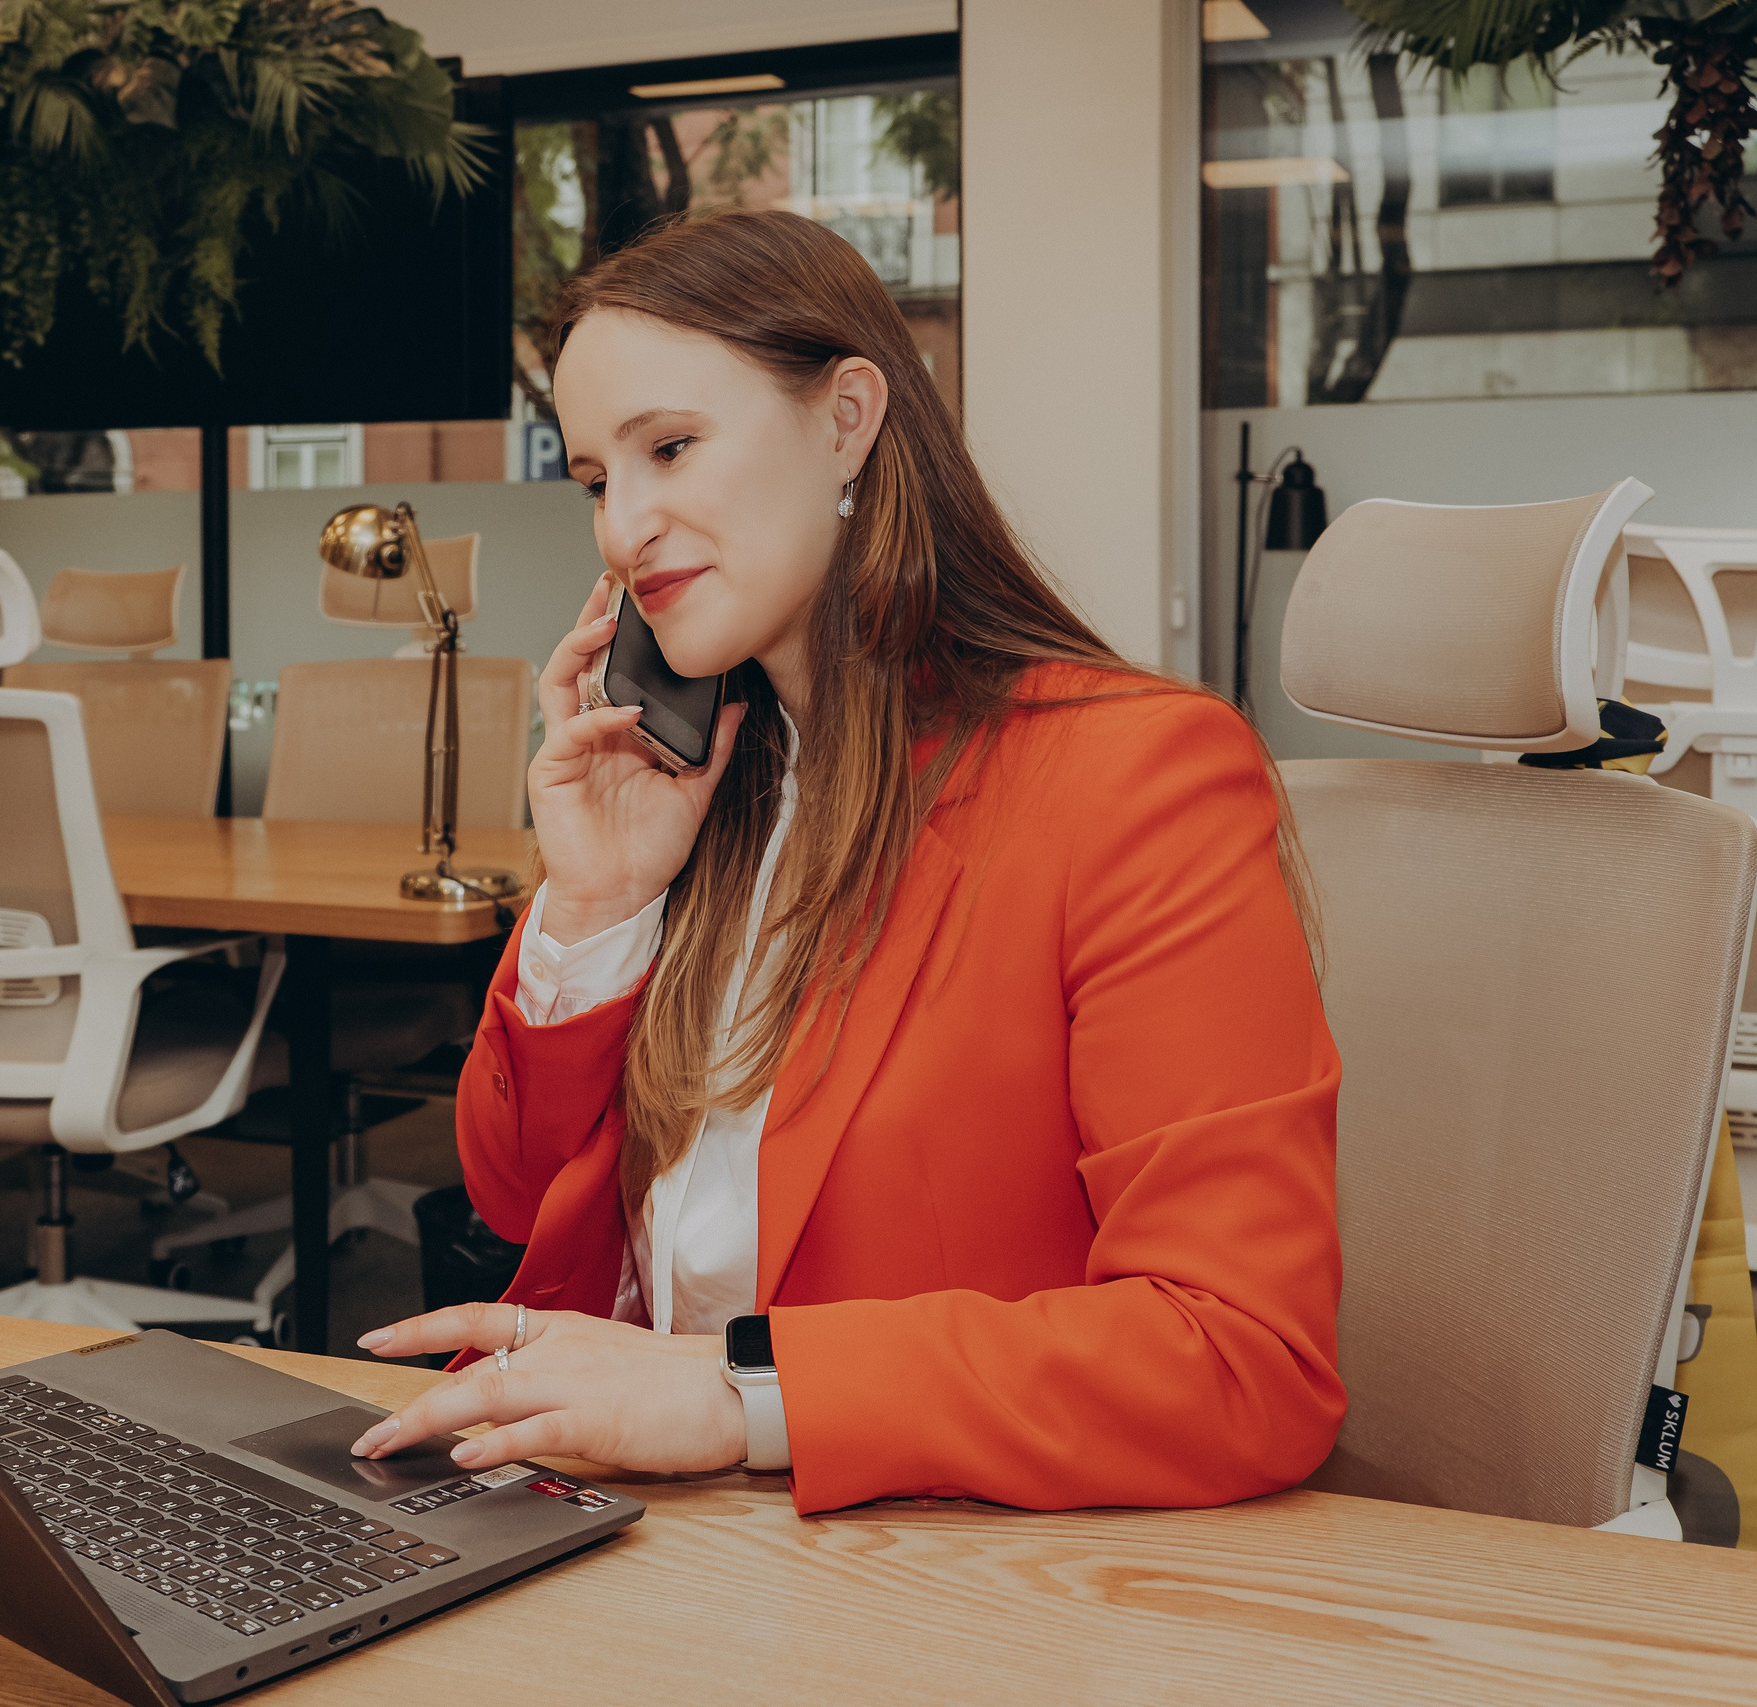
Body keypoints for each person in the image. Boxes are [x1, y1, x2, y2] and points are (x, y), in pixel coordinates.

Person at [346, 208, 1344, 1516]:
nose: (625, 526)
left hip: (941, 1566)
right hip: (659, 1535)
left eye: (673, 447)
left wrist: (734, 1393)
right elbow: (519, 1192)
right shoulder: (707, 779)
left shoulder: (1135, 779)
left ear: (847, 420)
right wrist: (599, 902)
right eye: (597, 479)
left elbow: (1243, 1357)